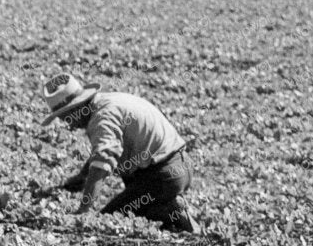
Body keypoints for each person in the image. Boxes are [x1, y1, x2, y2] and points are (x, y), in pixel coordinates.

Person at [40, 72, 199, 234]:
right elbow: (106, 150)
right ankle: (166, 210)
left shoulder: (102, 118)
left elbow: (101, 165)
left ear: (75, 108)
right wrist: (82, 176)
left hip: (163, 175)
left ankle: (170, 209)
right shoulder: (107, 101)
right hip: (179, 166)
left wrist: (83, 211)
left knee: (108, 221)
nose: (69, 125)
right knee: (133, 213)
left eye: (66, 118)